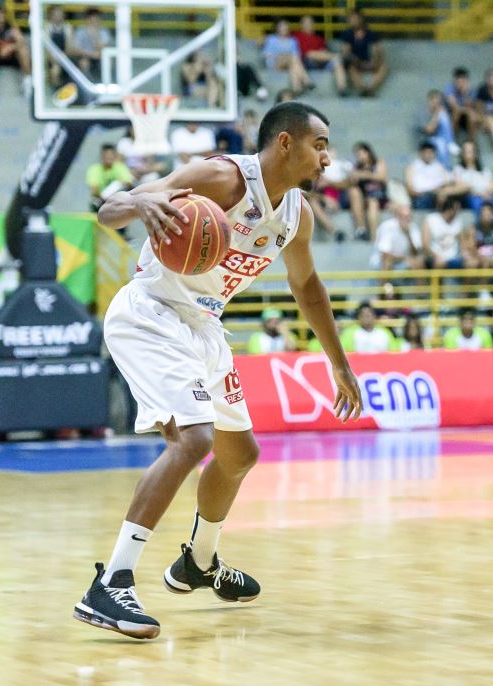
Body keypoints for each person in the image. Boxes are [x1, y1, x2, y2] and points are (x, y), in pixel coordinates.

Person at [76, 102, 363, 639]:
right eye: (319, 144)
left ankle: (199, 563)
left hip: (206, 327)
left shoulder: (297, 214)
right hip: (152, 312)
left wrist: (339, 364)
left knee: (239, 455)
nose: (327, 156)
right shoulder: (222, 177)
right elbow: (108, 210)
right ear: (284, 143)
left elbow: (306, 288)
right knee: (193, 440)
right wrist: (141, 206)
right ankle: (110, 582)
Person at [454, 140, 493, 225]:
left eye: (471, 151)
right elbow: (459, 185)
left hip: (487, 196)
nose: (468, 154)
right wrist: (480, 194)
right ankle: (481, 229)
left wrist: (487, 194)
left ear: (476, 153)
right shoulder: (459, 169)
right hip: (471, 197)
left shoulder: (484, 170)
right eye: (466, 151)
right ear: (462, 154)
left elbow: (492, 185)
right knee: (478, 203)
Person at [339, 9, 388, 97]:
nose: (351, 21)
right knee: (351, 68)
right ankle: (362, 89)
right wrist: (357, 61)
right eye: (350, 19)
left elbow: (379, 51)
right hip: (357, 63)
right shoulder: (347, 34)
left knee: (384, 67)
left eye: (354, 18)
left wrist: (374, 62)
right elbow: (346, 53)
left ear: (361, 19)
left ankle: (371, 88)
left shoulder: (371, 34)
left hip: (371, 63)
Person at [292, 15, 346, 94]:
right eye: (306, 23)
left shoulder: (318, 38)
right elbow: (305, 54)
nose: (308, 24)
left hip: (322, 61)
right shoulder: (297, 36)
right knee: (310, 54)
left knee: (337, 61)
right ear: (302, 24)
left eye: (310, 22)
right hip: (307, 62)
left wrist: (323, 53)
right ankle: (336, 55)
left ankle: (342, 89)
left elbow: (323, 51)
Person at [347, 142, 388, 241]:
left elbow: (382, 177)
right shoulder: (357, 167)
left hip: (378, 196)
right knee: (353, 191)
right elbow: (352, 183)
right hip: (364, 197)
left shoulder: (378, 162)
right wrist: (354, 176)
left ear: (368, 152)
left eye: (361, 153)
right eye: (357, 155)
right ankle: (361, 229)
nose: (359, 156)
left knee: (372, 202)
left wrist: (365, 174)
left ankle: (374, 238)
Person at [262, 19, 314, 96]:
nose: (284, 28)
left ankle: (296, 88)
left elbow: (297, 56)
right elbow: (266, 55)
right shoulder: (271, 39)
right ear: (277, 28)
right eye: (282, 26)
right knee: (292, 57)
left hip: (290, 62)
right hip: (275, 63)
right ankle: (306, 80)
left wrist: (287, 56)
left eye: (285, 26)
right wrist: (280, 56)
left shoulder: (293, 40)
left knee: (293, 64)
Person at [371, 204, 424, 272]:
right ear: (396, 216)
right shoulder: (387, 227)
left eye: (409, 216)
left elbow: (415, 254)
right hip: (381, 262)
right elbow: (385, 255)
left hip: (402, 261)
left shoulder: (413, 228)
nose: (407, 219)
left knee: (419, 262)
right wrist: (405, 258)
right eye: (404, 216)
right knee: (387, 262)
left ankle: (423, 283)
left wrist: (409, 236)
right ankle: (384, 283)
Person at [405, 142, 454, 210]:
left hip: (436, 194)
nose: (428, 155)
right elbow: (410, 189)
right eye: (426, 152)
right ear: (421, 153)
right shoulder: (413, 167)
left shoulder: (439, 167)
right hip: (420, 197)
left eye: (431, 152)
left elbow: (447, 182)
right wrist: (421, 193)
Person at [87, 144, 134, 212]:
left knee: (119, 184)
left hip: (117, 200)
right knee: (96, 202)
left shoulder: (120, 167)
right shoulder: (94, 169)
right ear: (101, 156)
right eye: (106, 155)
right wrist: (105, 199)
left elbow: (128, 184)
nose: (108, 157)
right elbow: (94, 190)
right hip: (100, 202)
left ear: (114, 156)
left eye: (111, 155)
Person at [422, 198, 467, 270]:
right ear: (451, 210)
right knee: (440, 262)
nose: (458, 212)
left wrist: (465, 254)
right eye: (457, 210)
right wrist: (436, 256)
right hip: (435, 256)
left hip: (454, 257)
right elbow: (425, 245)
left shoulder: (458, 221)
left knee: (471, 263)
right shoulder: (431, 219)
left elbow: (462, 243)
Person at [416, 89, 456, 169]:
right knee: (441, 143)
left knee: (444, 115)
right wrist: (437, 113)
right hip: (426, 140)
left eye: (439, 101)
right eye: (436, 101)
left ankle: (450, 143)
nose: (438, 104)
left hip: (441, 138)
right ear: (430, 100)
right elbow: (430, 130)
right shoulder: (422, 113)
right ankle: (444, 168)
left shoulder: (440, 112)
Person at [71, 7, 110, 81]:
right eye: (92, 19)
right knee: (84, 62)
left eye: (97, 19)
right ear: (87, 19)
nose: (95, 21)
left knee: (107, 63)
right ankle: (88, 88)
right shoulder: (80, 31)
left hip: (99, 58)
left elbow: (102, 49)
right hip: (83, 57)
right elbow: (76, 49)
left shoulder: (104, 31)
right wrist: (90, 54)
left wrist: (95, 35)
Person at [444, 67, 481, 140]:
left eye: (463, 81)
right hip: (452, 114)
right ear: (454, 80)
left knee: (472, 116)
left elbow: (470, 105)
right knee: (457, 113)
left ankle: (471, 141)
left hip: (466, 115)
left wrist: (465, 93)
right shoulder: (449, 88)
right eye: (458, 81)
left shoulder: (472, 89)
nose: (461, 84)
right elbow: (454, 106)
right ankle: (450, 140)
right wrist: (468, 111)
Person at [44, 6, 73, 88]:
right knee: (55, 70)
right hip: (51, 57)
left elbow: (68, 47)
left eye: (60, 14)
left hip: (65, 57)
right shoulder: (47, 27)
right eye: (56, 14)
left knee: (57, 68)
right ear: (51, 15)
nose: (58, 16)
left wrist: (61, 58)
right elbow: (47, 47)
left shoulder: (68, 27)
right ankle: (54, 90)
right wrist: (53, 58)